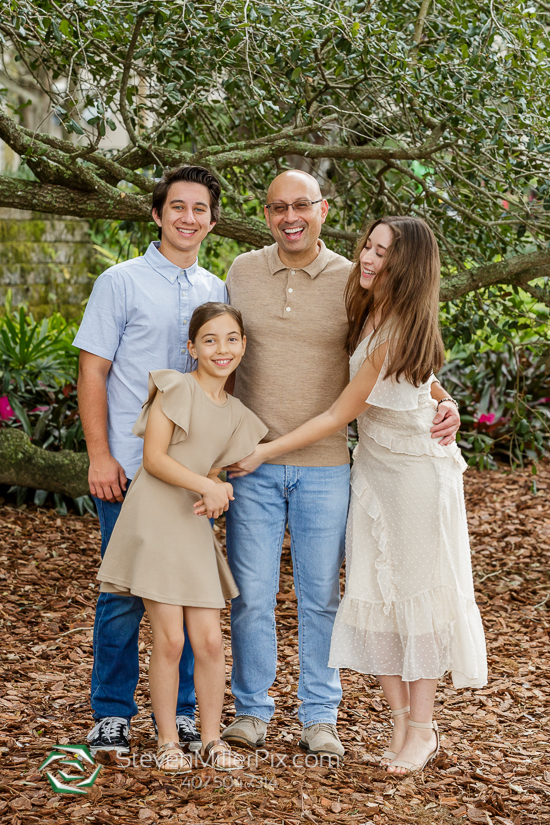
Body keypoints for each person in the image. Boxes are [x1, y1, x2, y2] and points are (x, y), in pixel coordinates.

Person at [217, 170, 462, 758]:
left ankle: (319, 716)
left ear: (324, 209)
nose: (290, 215)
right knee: (251, 594)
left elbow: (402, 357)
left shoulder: (356, 280)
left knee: (322, 595)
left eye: (302, 204)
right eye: (278, 206)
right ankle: (252, 712)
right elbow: (216, 352)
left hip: (329, 466)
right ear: (267, 214)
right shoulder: (242, 272)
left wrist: (444, 397)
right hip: (253, 463)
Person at [74, 166, 227, 755]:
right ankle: (111, 713)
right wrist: (100, 455)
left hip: (191, 475)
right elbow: (94, 370)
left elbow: (220, 380)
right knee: (122, 597)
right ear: (157, 214)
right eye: (178, 207)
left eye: (200, 209)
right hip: (132, 470)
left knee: (188, 595)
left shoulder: (217, 289)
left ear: (213, 221)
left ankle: (186, 715)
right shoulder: (121, 282)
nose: (188, 218)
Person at [96, 303, 268, 773]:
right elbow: (153, 458)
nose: (222, 348)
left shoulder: (236, 414)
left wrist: (219, 487)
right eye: (210, 340)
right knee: (170, 641)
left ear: (244, 346)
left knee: (210, 642)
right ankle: (169, 740)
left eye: (232, 338)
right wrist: (208, 485)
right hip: (154, 520)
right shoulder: (175, 387)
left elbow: (214, 471)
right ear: (191, 347)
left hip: (191, 523)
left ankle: (211, 740)